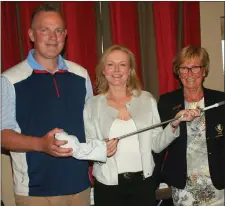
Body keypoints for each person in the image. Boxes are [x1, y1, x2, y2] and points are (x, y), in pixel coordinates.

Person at [1, 3, 114, 206]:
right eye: (44, 30)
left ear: (65, 35)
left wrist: (103, 141)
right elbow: (3, 136)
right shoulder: (10, 80)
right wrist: (41, 145)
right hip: (35, 192)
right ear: (31, 35)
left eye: (58, 30)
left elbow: (90, 124)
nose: (53, 37)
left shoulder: (81, 75)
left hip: (80, 187)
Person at [83, 44, 201, 206]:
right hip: (107, 185)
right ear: (103, 70)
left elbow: (157, 145)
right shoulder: (92, 105)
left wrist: (174, 123)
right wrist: (100, 149)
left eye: (122, 64)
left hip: (143, 184)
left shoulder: (147, 100)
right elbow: (88, 148)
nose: (117, 70)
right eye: (111, 64)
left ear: (130, 70)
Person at [157, 45, 225, 206]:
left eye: (195, 67)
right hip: (183, 187)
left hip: (217, 185)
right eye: (184, 68)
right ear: (178, 72)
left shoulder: (220, 101)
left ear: (204, 71)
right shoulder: (167, 102)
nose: (190, 74)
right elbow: (158, 144)